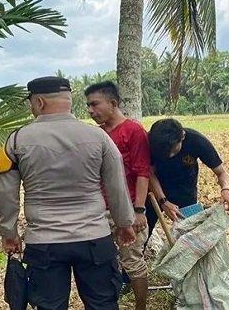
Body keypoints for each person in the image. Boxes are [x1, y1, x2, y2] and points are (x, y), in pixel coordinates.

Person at [0, 76, 136, 310]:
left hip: (44, 241)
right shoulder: (98, 137)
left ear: (39, 102)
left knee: (49, 306)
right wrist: (124, 223)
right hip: (94, 238)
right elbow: (116, 186)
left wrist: (9, 232)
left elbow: (7, 195)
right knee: (103, 304)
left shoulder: (18, 140)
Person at [85, 81, 150, 310]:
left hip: (129, 208)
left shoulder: (134, 131)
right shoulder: (97, 134)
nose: (90, 110)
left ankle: (140, 306)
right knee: (103, 261)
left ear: (113, 104)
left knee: (132, 260)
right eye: (88, 106)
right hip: (101, 210)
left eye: (95, 104)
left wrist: (139, 210)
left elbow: (143, 172)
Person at [146, 118, 229, 239]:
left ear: (183, 136)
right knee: (143, 233)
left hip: (185, 193)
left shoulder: (196, 141)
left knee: (191, 238)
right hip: (154, 191)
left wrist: (227, 189)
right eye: (164, 153)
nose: (169, 155)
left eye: (173, 151)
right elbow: (149, 173)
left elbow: (221, 172)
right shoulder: (152, 142)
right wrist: (163, 201)